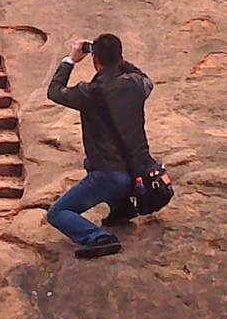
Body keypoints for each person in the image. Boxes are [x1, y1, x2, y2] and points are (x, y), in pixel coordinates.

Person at [45, 33, 154, 259]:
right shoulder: (135, 84)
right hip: (136, 172)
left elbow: (54, 91)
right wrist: (119, 61)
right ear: (121, 58)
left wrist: (71, 60)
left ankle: (97, 237)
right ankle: (121, 207)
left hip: (110, 175)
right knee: (89, 163)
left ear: (95, 60)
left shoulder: (89, 92)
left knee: (57, 213)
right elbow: (145, 78)